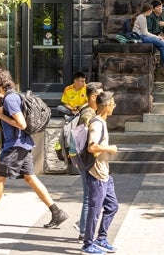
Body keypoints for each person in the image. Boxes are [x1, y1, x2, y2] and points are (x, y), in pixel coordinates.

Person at [0, 68, 68, 230]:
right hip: (22, 144)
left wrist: (0, 114)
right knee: (30, 178)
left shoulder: (10, 99)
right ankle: (57, 212)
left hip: (15, 146)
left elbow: (22, 124)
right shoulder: (11, 97)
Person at [81, 90, 120, 254]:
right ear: (106, 106)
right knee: (95, 210)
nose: (114, 107)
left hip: (105, 174)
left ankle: (101, 239)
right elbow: (92, 146)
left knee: (112, 206)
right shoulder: (97, 123)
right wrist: (109, 148)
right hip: (97, 174)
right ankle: (88, 244)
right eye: (112, 104)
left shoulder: (102, 122)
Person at [73, 82, 104, 242]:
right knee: (89, 196)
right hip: (87, 160)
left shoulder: (89, 111)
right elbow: (88, 142)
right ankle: (84, 230)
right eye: (101, 93)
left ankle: (83, 224)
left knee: (90, 195)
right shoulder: (88, 115)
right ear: (93, 96)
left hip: (85, 160)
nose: (103, 97)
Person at [133, 2, 164, 74]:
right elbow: (145, 32)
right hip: (143, 37)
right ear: (151, 9)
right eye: (158, 7)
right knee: (163, 44)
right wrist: (158, 37)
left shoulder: (158, 17)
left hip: (150, 36)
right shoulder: (145, 18)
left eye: (161, 6)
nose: (160, 8)